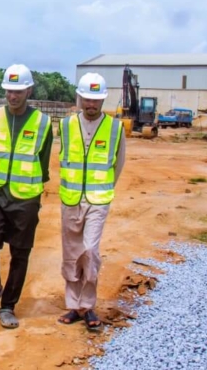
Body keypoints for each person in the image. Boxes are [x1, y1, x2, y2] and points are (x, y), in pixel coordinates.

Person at [0, 64, 53, 329]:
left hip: (26, 197)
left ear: (29, 91)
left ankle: (8, 306)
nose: (12, 96)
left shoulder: (43, 122)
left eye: (18, 91)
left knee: (20, 253)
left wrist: (31, 191)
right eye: (9, 91)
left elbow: (43, 162)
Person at [56, 72, 125, 331]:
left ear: (103, 100)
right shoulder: (65, 125)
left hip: (98, 200)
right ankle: (74, 306)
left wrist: (103, 189)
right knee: (71, 253)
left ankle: (87, 305)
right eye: (87, 99)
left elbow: (118, 164)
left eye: (96, 100)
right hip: (70, 198)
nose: (91, 104)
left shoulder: (115, 128)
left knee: (90, 251)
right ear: (80, 98)